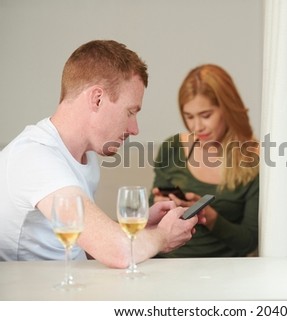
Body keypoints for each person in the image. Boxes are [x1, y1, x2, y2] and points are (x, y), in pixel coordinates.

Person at [0, 40, 200, 268]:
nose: (135, 129)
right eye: (130, 112)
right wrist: (163, 236)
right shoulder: (34, 156)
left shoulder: (87, 157)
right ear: (97, 99)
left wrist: (141, 228)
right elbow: (118, 252)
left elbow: (86, 247)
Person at [149, 64, 259, 257]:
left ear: (227, 109)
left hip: (223, 274)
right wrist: (160, 207)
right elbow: (149, 227)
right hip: (165, 268)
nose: (197, 126)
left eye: (206, 116)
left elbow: (249, 243)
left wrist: (209, 216)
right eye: (189, 116)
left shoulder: (254, 158)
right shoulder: (172, 148)